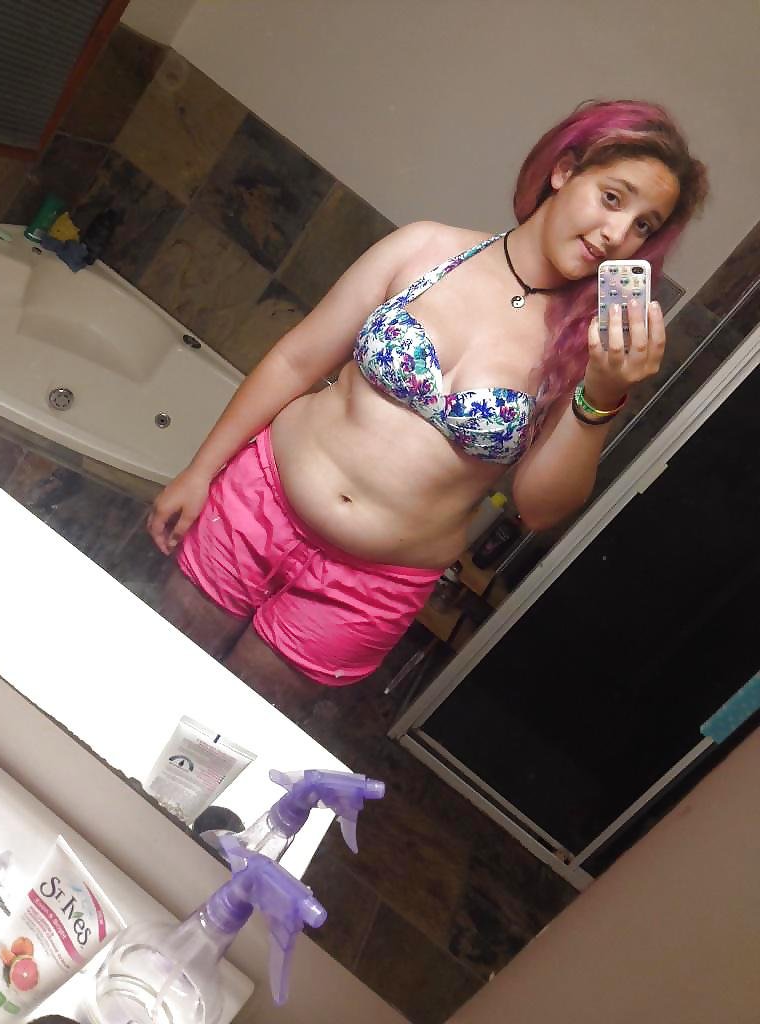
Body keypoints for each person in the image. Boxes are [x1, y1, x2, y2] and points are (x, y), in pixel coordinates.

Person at [147, 98, 708, 693]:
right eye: (613, 198)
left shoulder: (586, 348)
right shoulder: (425, 249)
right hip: (257, 505)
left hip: (370, 588)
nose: (618, 234)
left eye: (644, 225)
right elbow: (296, 360)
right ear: (564, 171)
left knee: (230, 726)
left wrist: (603, 396)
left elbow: (538, 509)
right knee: (152, 672)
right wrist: (200, 470)